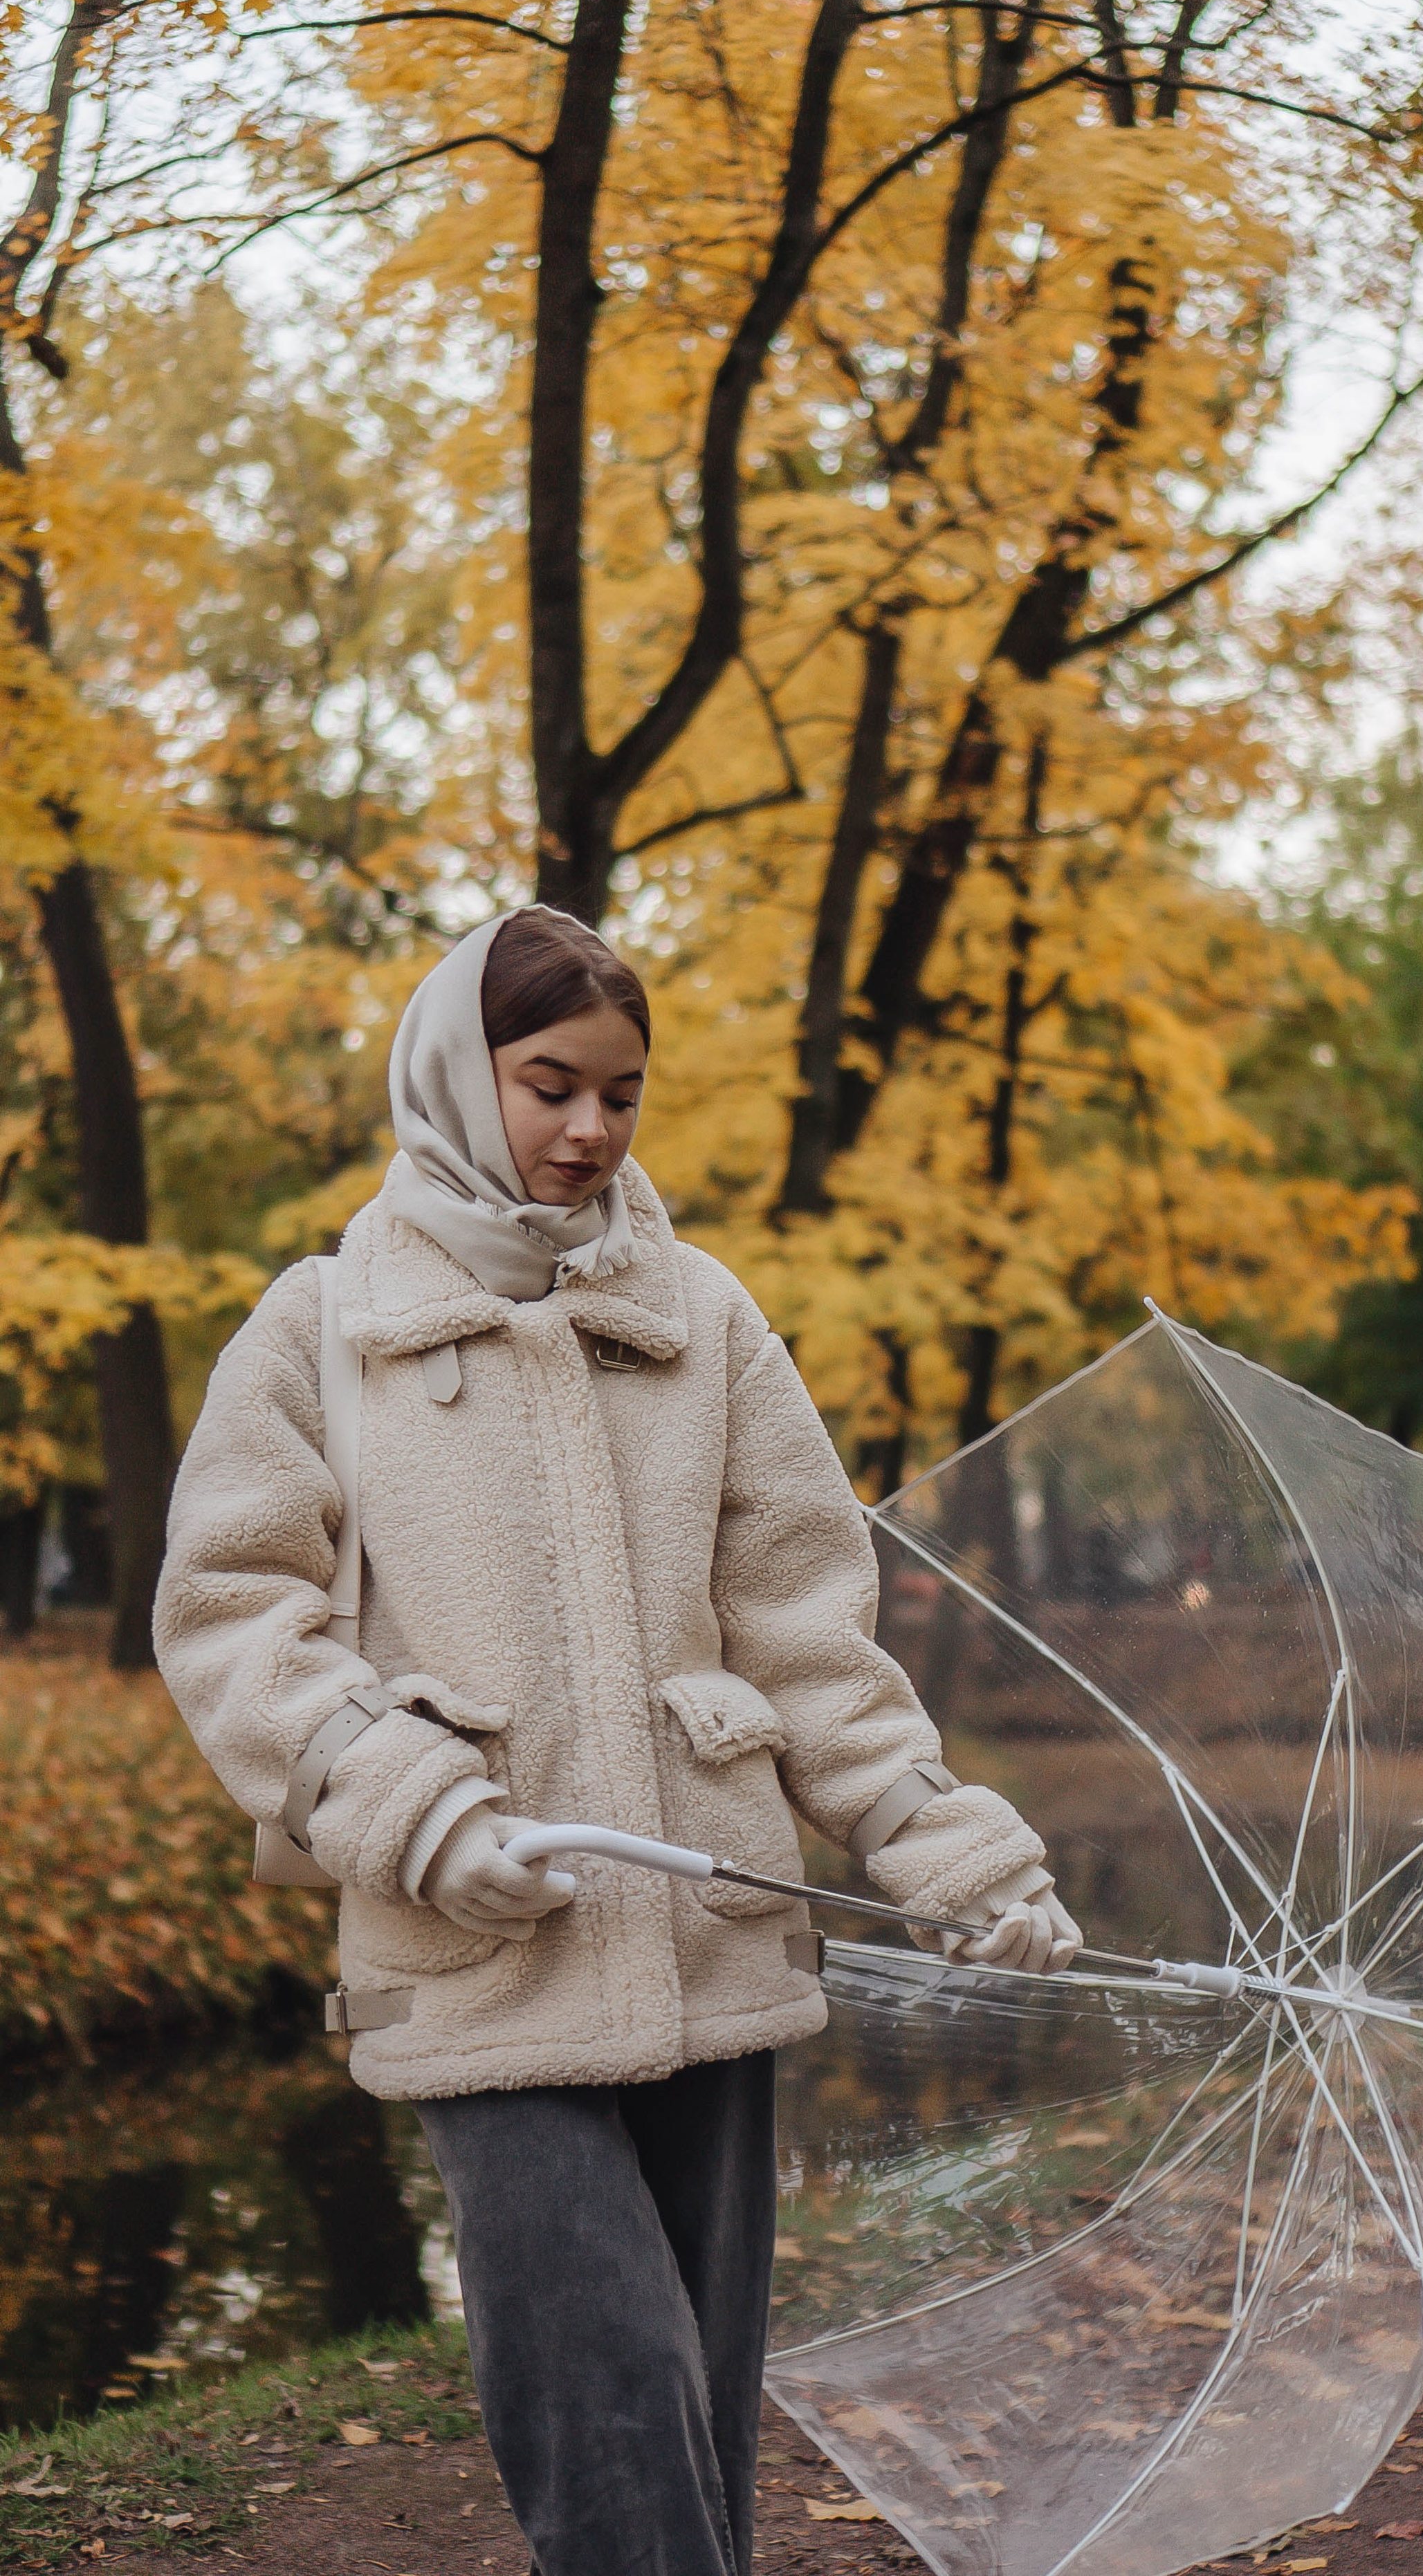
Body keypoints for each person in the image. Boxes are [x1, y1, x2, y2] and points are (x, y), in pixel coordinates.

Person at [152, 908, 1079, 2576]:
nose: (589, 1128)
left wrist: (946, 1849)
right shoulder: (320, 1323)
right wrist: (418, 1812)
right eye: (549, 1083)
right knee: (604, 2374)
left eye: (622, 1095)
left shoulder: (703, 1315)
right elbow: (231, 1620)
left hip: (712, 1932)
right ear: (458, 1073)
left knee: (701, 2396)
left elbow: (803, 1630)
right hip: (474, 1952)